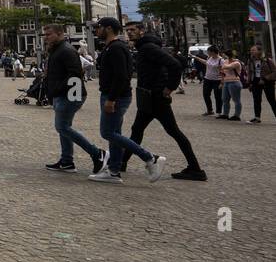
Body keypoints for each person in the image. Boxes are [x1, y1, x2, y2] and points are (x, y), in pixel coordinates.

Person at [89, 18, 167, 184]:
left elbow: (121, 76)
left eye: (99, 28)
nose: (96, 31)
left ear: (108, 29)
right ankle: (114, 171)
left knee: (107, 132)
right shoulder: (113, 47)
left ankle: (150, 158)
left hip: (115, 96)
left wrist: (111, 99)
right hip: (115, 95)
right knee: (114, 134)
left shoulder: (116, 48)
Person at [125, 21, 206, 181]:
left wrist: (169, 88)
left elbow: (175, 65)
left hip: (156, 97)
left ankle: (196, 169)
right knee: (137, 130)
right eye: (127, 30)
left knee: (172, 131)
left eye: (133, 30)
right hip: (149, 96)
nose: (129, 33)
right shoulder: (144, 47)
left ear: (142, 31)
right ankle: (121, 163)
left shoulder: (148, 48)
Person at [42, 24, 104, 173]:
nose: (46, 37)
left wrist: (60, 91)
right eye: (45, 35)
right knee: (64, 128)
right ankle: (67, 161)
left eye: (49, 34)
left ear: (59, 33)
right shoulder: (58, 50)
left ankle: (98, 154)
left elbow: (76, 74)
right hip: (64, 94)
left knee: (62, 127)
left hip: (69, 94)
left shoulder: (66, 50)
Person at [247, 44, 276, 123]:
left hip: (267, 82)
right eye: (251, 50)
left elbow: (274, 72)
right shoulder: (250, 60)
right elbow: (249, 72)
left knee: (271, 100)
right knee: (256, 100)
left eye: (253, 50)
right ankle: (257, 117)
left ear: (259, 51)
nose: (251, 51)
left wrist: (265, 78)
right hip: (255, 82)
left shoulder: (267, 60)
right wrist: (249, 82)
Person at [216, 49, 243, 121]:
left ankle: (237, 115)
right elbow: (223, 72)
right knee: (224, 99)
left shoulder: (236, 62)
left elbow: (227, 67)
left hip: (234, 82)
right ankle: (225, 114)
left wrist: (221, 66)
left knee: (236, 100)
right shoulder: (226, 61)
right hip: (226, 82)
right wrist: (222, 82)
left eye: (224, 54)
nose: (222, 56)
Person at [198, 45, 222, 116]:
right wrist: (196, 58)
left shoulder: (221, 60)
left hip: (217, 80)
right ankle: (210, 110)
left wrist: (222, 82)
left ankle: (219, 112)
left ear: (213, 52)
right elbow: (206, 62)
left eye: (208, 52)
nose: (207, 53)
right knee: (205, 94)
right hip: (207, 79)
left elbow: (223, 71)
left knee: (217, 96)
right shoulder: (209, 58)